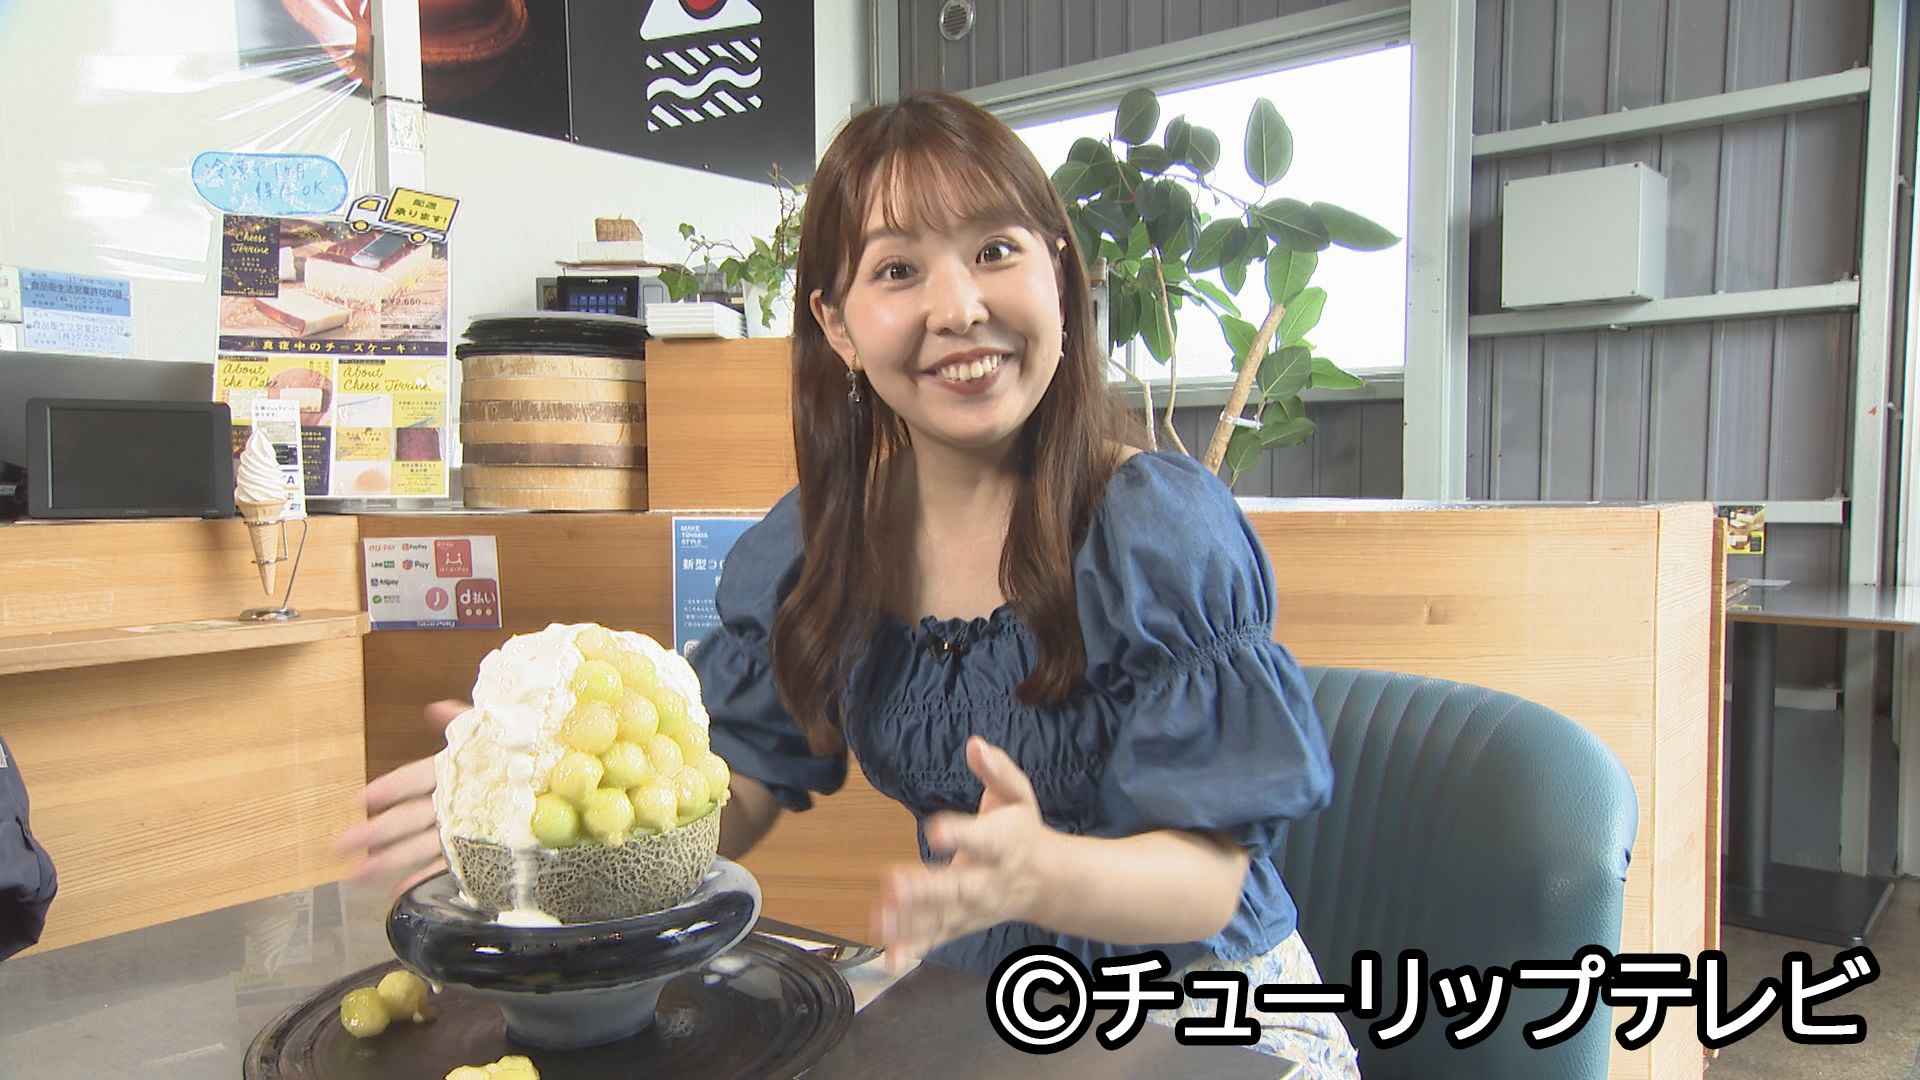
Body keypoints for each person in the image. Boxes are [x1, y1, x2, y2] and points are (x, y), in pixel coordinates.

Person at [335, 90, 1359, 1076]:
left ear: (1057, 271)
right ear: (837, 325)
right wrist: (548, 803)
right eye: (899, 269)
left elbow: (1209, 881)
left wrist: (1049, 873)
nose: (960, 309)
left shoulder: (1156, 532)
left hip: (1208, 1022)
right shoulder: (822, 545)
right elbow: (729, 788)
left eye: (996, 251)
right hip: (983, 1015)